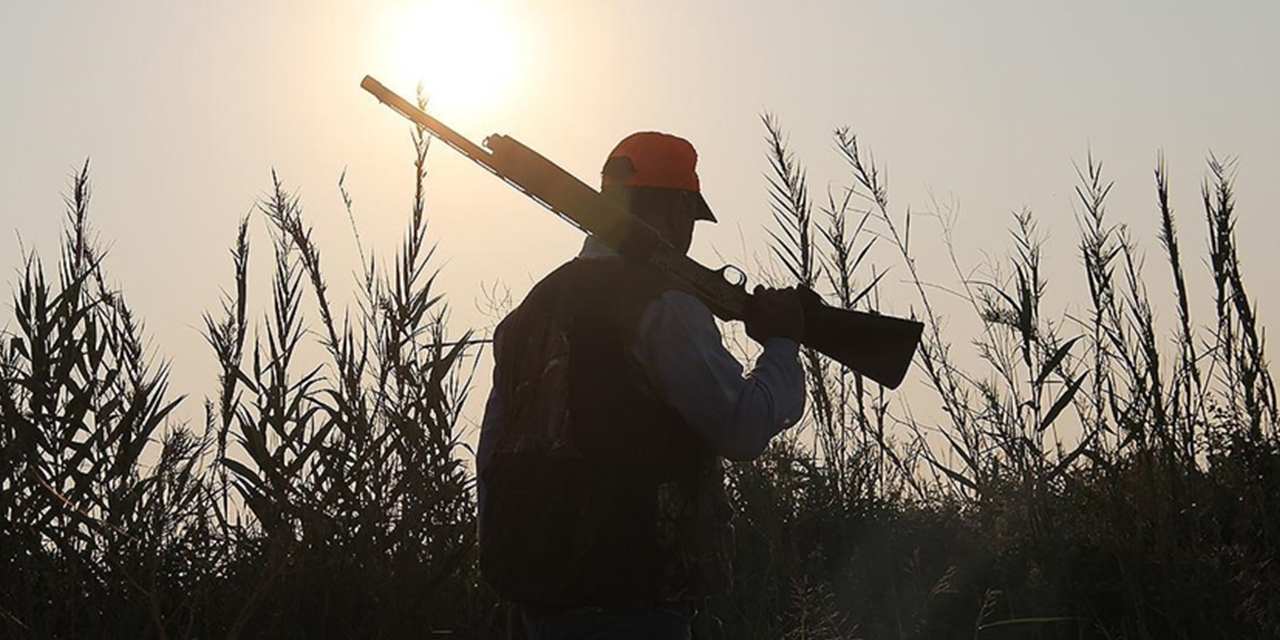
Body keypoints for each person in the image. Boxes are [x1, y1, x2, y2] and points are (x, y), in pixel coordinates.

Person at [476, 131, 806, 640]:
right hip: (635, 602)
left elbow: (493, 459)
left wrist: (522, 593)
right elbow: (742, 429)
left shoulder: (528, 312)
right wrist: (783, 345)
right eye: (690, 217)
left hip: (541, 606)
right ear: (677, 210)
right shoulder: (663, 305)